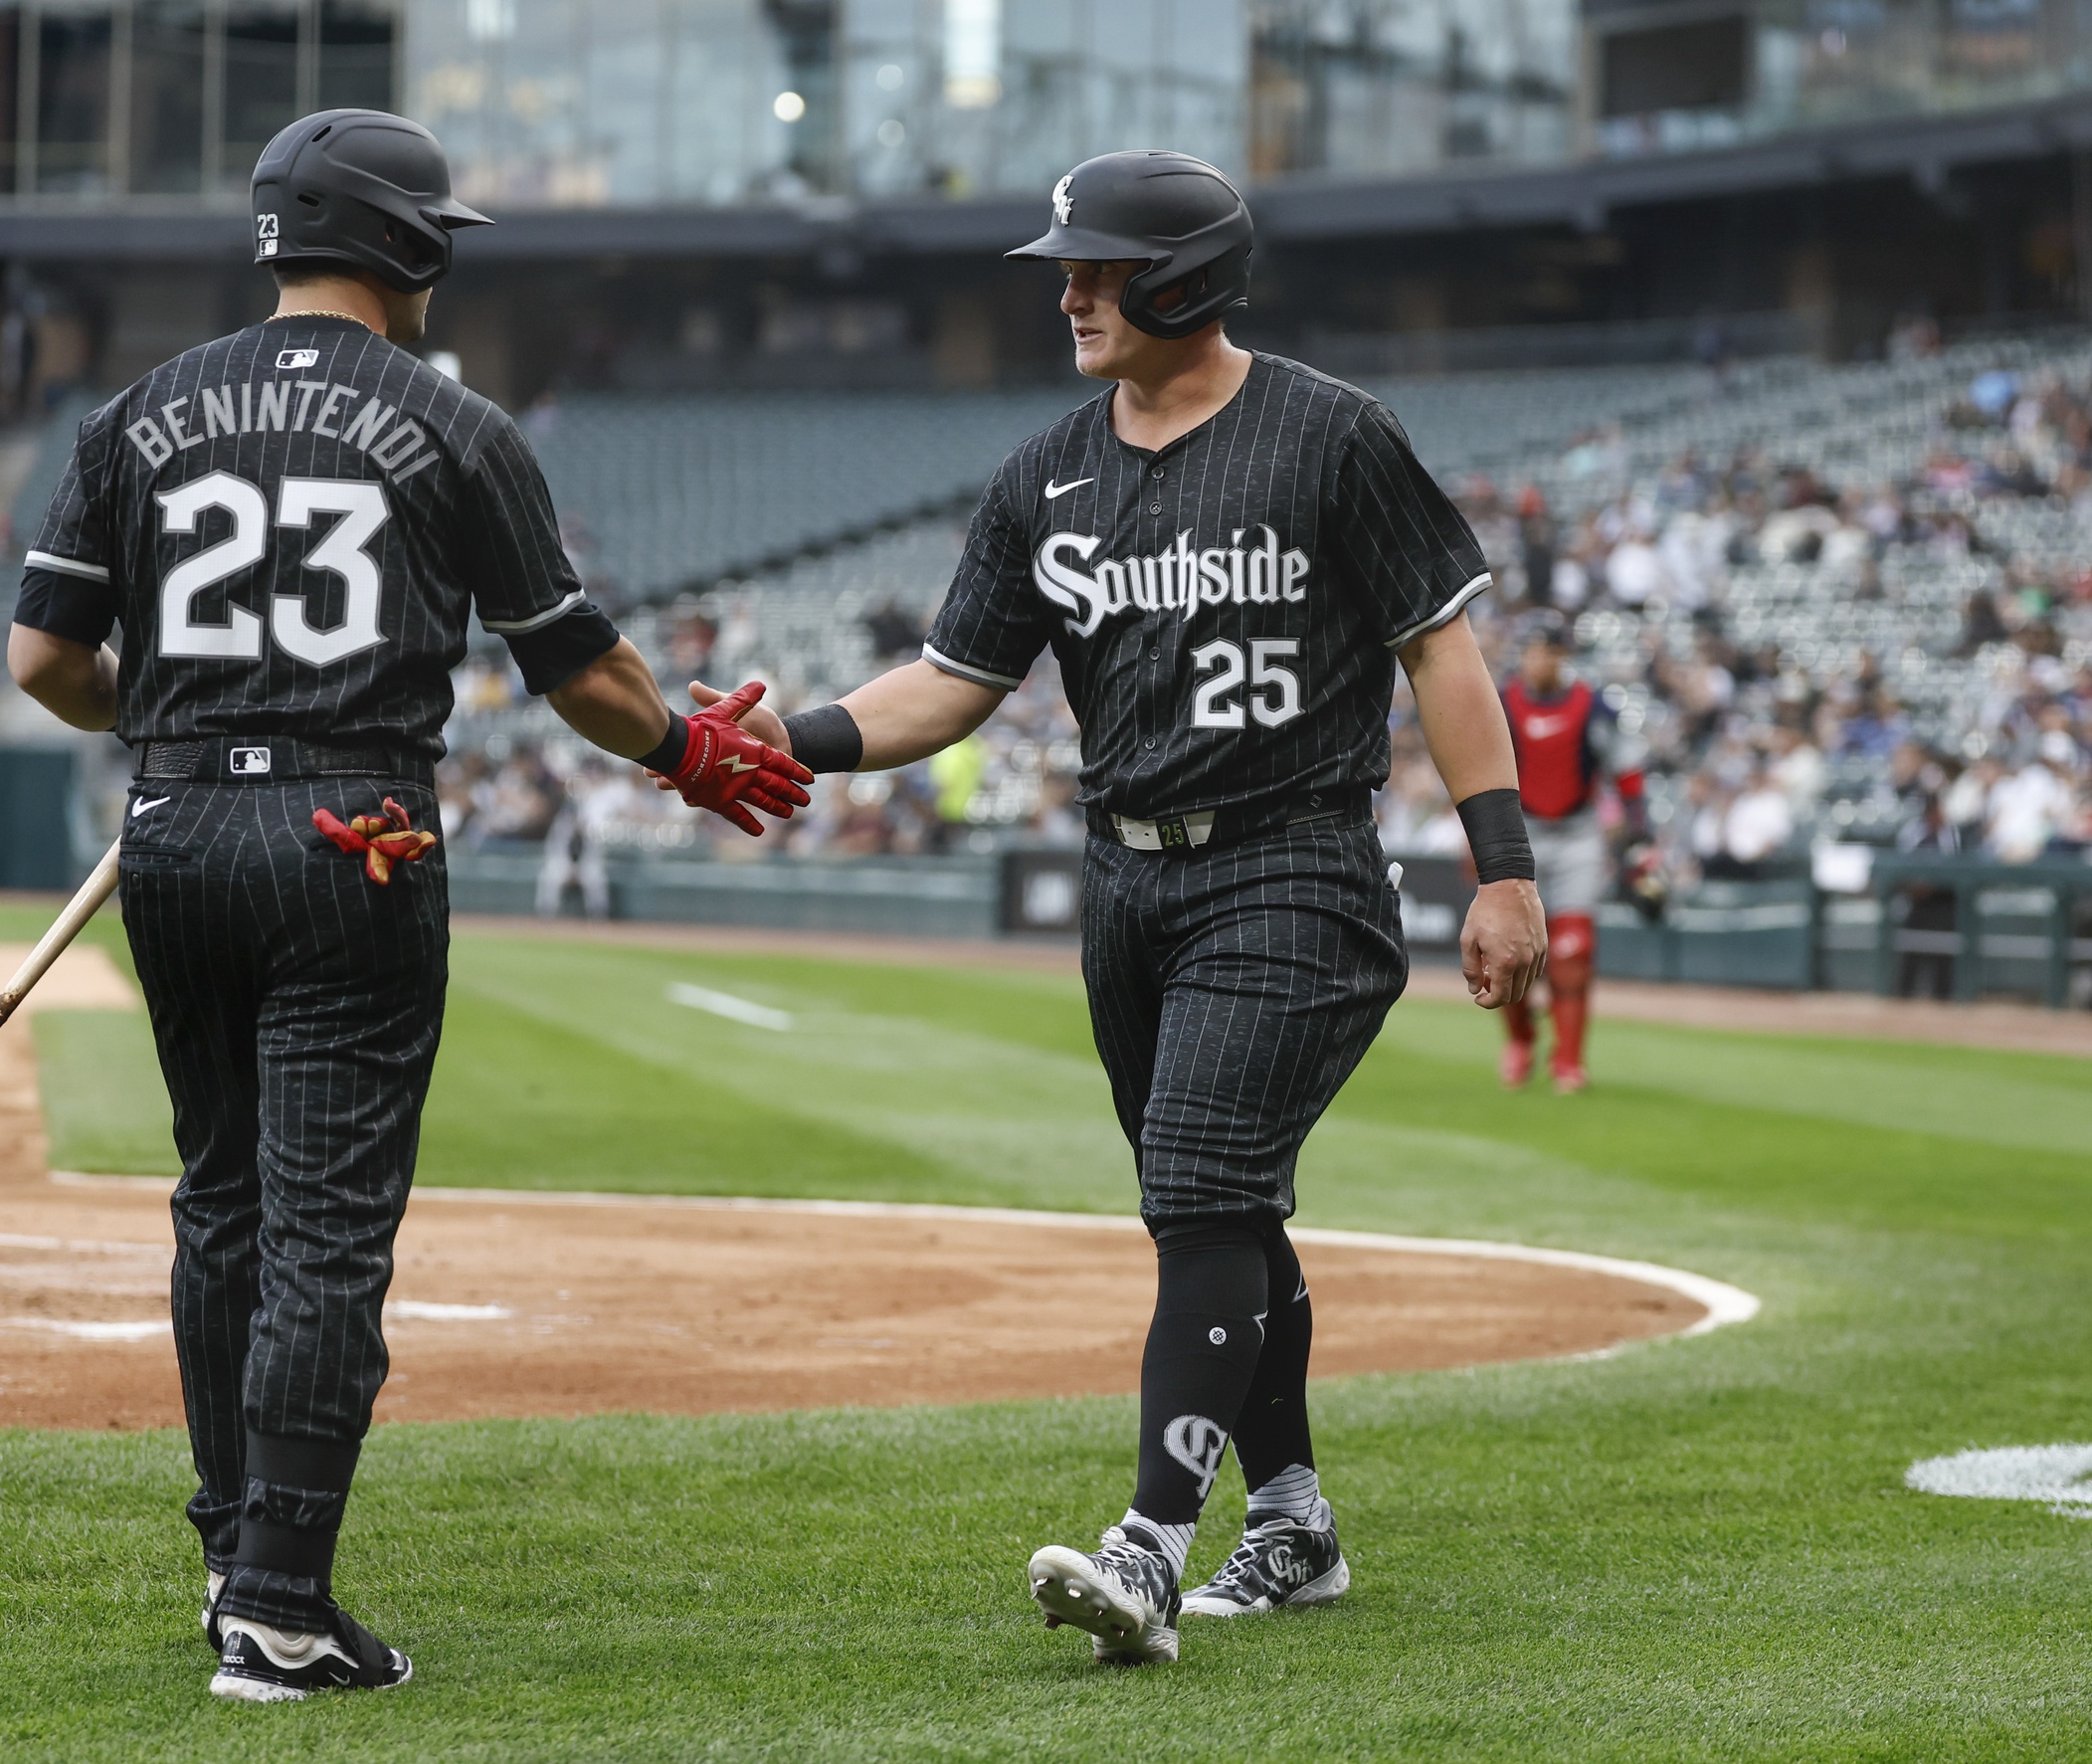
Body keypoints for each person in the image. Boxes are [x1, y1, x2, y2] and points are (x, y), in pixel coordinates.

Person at [679, 150, 1544, 1666]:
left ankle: (1150, 1551)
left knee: (1202, 1187)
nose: (1069, 289)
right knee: (1225, 1207)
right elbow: (953, 681)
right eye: (1067, 265)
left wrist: (1505, 866)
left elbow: (1440, 655)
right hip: (1128, 878)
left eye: (1098, 265)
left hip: (1293, 862)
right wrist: (791, 738)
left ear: (1187, 279)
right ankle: (1295, 1524)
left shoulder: (1333, 434)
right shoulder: (1045, 470)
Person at [4, 107, 807, 1705]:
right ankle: (283, 1608)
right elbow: (580, 672)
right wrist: (693, 754)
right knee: (324, 1234)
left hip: (170, 826)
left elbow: (44, 664)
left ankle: (236, 1555)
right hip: (352, 830)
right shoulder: (454, 425)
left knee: (218, 1202)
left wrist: (166, 729)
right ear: (407, 241)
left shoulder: (133, 414)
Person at [1495, 617, 1637, 1093]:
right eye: (1533, 651)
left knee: (1573, 949)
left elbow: (1627, 769)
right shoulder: (1502, 702)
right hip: (1521, 831)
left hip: (1579, 832)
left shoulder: (1592, 705)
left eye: (1549, 651)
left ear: (1562, 657)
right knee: (1510, 949)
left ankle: (1569, 1060)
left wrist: (1639, 834)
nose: (1540, 660)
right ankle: (1521, 1039)